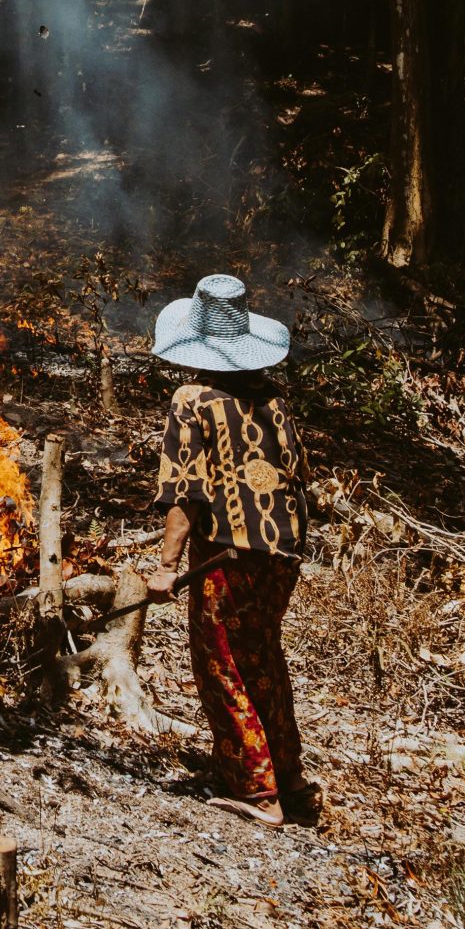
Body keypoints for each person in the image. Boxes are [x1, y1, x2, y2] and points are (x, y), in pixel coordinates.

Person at [144, 273, 316, 826]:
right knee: (262, 655)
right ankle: (290, 778)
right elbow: (298, 475)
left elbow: (184, 492)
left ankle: (256, 790)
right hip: (283, 550)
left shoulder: (191, 400)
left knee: (222, 663)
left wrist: (166, 567)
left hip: (227, 554)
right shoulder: (275, 398)